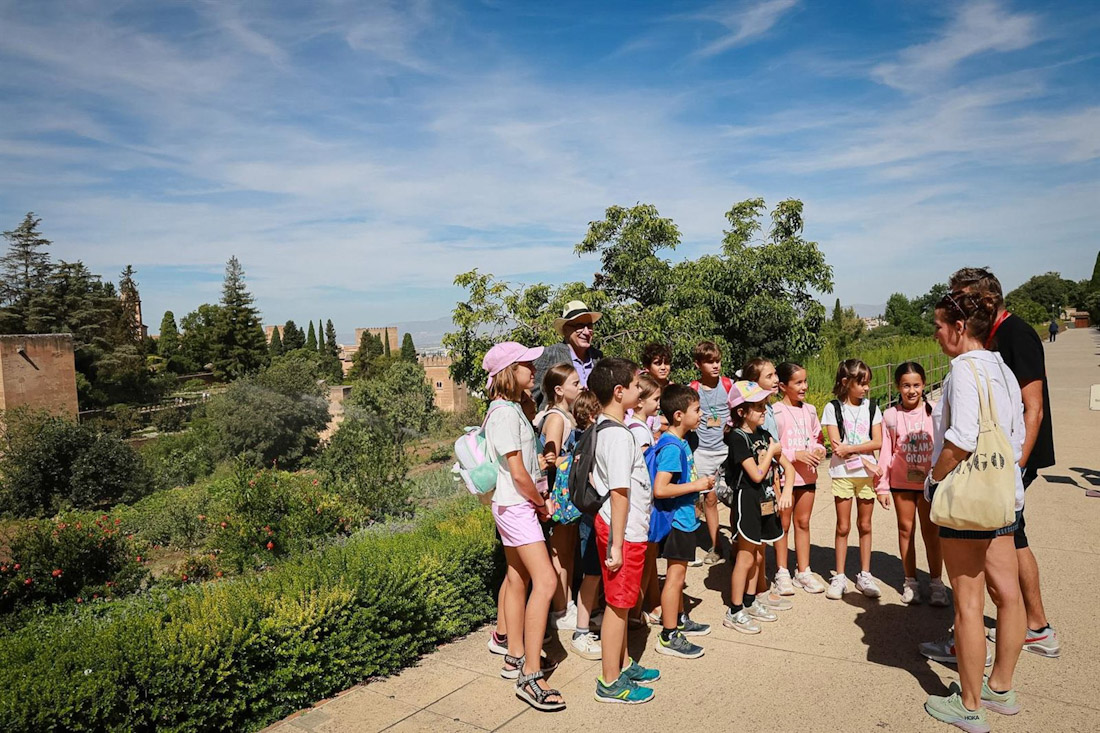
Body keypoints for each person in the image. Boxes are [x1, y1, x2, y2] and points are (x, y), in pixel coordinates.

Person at [921, 290, 1026, 732]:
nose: (937, 333)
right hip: (1002, 494)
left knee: (968, 602)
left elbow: (961, 438)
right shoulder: (1002, 367)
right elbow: (1016, 434)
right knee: (1009, 593)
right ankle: (999, 687)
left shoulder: (962, 371)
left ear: (960, 328)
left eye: (940, 325)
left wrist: (935, 480)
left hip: (968, 501)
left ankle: (968, 705)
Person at [949, 267, 1060, 657]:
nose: (960, 306)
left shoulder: (1017, 335)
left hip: (1010, 458)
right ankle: (1033, 625)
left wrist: (1014, 467)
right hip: (1000, 459)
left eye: (965, 299)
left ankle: (1015, 627)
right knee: (1013, 537)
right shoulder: (993, 337)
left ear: (988, 300)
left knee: (998, 539)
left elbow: (1035, 408)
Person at [481, 342, 565, 712]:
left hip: (513, 506)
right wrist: (541, 502)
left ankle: (516, 654)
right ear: (507, 372)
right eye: (526, 366)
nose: (534, 371)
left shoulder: (510, 409)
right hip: (518, 507)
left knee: (518, 578)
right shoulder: (502, 414)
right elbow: (517, 473)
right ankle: (530, 675)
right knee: (545, 581)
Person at [588, 358, 661, 704]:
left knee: (621, 600)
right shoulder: (618, 435)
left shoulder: (608, 427)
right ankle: (610, 681)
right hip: (623, 531)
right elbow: (620, 492)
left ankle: (623, 661)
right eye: (635, 385)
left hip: (623, 529)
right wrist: (617, 544)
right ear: (619, 392)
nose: (639, 389)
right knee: (618, 606)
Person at [721, 380, 795, 634]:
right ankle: (735, 608)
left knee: (760, 553)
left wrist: (786, 490)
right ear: (741, 411)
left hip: (765, 500)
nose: (765, 410)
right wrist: (772, 450)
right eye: (758, 406)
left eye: (765, 404)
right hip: (747, 501)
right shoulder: (737, 439)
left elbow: (789, 468)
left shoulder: (764, 434)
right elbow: (756, 474)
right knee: (745, 555)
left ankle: (751, 601)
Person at [875, 363, 947, 606]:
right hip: (901, 483)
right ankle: (910, 581)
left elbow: (944, 447)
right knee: (905, 530)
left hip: (929, 483)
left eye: (916, 385)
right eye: (906, 385)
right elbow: (885, 452)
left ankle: (937, 583)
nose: (911, 390)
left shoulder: (935, 412)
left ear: (924, 385)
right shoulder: (891, 416)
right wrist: (882, 485)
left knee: (932, 534)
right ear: (898, 387)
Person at [652, 384, 715, 659]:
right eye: (696, 410)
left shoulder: (680, 443)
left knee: (680, 577)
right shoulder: (671, 447)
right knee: (675, 580)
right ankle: (668, 635)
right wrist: (696, 485)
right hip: (677, 521)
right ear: (679, 415)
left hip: (686, 518)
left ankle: (678, 618)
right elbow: (661, 489)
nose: (701, 415)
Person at [821, 359, 883, 600]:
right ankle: (839, 575)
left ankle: (865, 574)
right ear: (846, 383)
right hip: (844, 474)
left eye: (868, 383)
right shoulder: (832, 408)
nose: (866, 388)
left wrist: (854, 451)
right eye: (862, 383)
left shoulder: (872, 408)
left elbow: (877, 441)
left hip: (866, 477)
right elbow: (837, 448)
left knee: (865, 525)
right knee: (843, 526)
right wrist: (865, 458)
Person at [740, 358, 794, 608]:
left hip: (770, 479)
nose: (776, 380)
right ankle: (756, 591)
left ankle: (759, 588)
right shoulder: (752, 419)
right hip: (756, 483)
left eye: (775, 376)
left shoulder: (770, 410)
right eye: (770, 376)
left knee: (766, 536)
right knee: (754, 544)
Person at [772, 361, 828, 594]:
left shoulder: (811, 410)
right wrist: (796, 454)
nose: (804, 386)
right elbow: (772, 449)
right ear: (783, 386)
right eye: (798, 382)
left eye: (805, 381)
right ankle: (782, 571)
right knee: (782, 525)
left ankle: (803, 570)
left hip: (808, 477)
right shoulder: (775, 412)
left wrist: (818, 450)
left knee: (803, 523)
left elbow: (818, 438)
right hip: (785, 478)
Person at [534, 364, 582, 630]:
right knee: (560, 553)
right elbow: (551, 459)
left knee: (567, 552)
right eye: (575, 383)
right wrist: (576, 458)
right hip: (559, 495)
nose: (580, 386)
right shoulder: (556, 419)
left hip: (567, 494)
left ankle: (567, 603)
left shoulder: (566, 415)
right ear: (559, 390)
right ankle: (561, 609)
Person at [689, 341, 731, 565]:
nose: (715, 365)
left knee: (735, 497)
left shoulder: (728, 385)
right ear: (698, 364)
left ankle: (739, 542)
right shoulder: (693, 389)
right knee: (710, 498)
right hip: (703, 451)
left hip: (726, 449)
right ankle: (717, 546)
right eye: (709, 362)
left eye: (717, 360)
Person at [570, 389, 605, 661]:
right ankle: (581, 631)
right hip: (594, 515)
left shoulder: (580, 438)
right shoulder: (594, 439)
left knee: (594, 574)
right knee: (592, 574)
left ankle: (591, 617)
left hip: (587, 514)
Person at [532, 300, 604, 406]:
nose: (586, 332)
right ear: (565, 329)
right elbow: (530, 394)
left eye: (589, 326)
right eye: (579, 326)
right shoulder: (550, 355)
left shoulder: (597, 357)